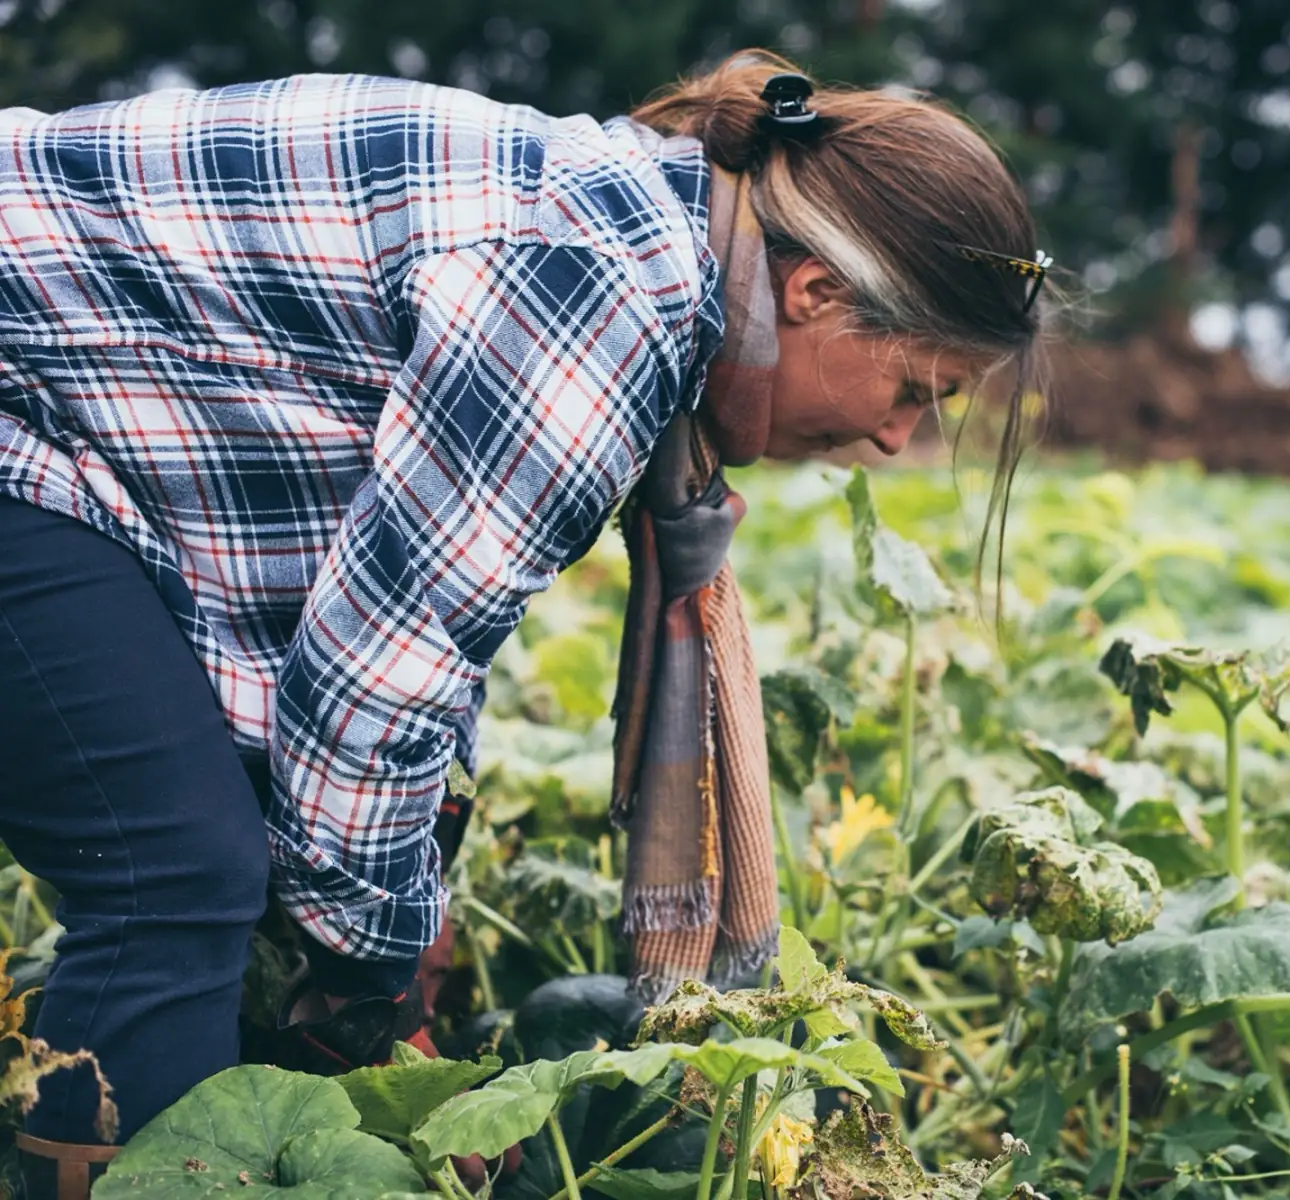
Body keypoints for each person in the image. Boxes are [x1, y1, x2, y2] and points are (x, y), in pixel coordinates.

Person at [0, 48, 1050, 1198]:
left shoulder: (648, 237)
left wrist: (391, 922)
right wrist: (373, 973)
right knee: (172, 870)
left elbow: (422, 613)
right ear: (815, 297)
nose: (899, 440)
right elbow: (377, 676)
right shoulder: (604, 295)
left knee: (209, 847)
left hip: (60, 433)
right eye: (915, 392)